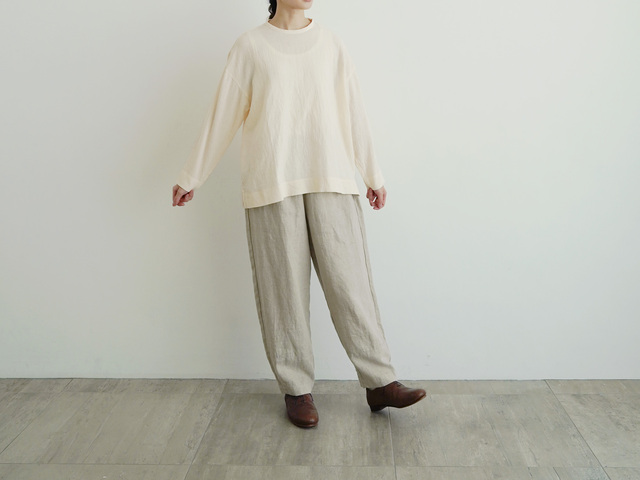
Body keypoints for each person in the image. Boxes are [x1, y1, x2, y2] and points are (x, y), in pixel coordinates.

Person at [171, 0, 426, 428]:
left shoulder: (331, 45)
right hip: (272, 182)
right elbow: (222, 117)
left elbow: (354, 112)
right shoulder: (250, 47)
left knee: (350, 284)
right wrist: (191, 175)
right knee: (282, 290)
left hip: (331, 176)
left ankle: (380, 382)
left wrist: (372, 174)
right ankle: (297, 390)